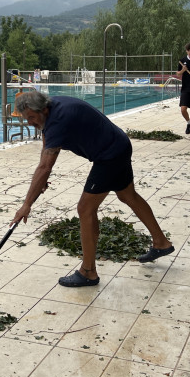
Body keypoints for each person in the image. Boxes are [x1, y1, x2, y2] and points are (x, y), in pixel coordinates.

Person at [11, 92, 174, 288]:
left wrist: (26, 204)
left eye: (31, 118)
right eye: (26, 118)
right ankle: (161, 242)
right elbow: (47, 137)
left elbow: (45, 166)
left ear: (43, 110)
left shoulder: (58, 120)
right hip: (119, 144)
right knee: (127, 195)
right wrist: (42, 180)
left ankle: (88, 272)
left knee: (85, 209)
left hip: (109, 156)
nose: (29, 123)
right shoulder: (52, 105)